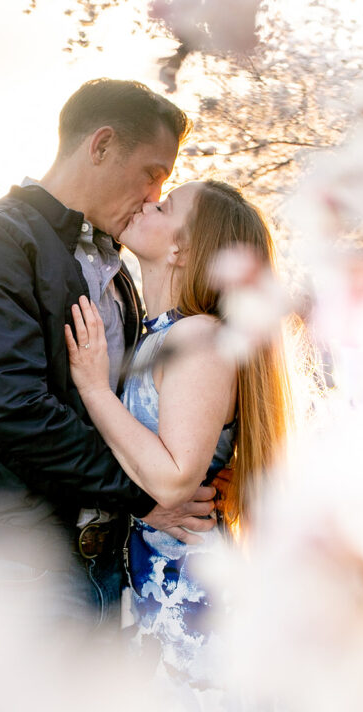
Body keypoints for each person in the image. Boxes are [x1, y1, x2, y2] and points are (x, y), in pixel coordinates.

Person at [0, 78, 218, 629]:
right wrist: (145, 496)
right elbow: (10, 410)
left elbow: (137, 409)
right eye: (152, 174)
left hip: (102, 565)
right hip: (13, 568)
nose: (154, 195)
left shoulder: (118, 274)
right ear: (101, 145)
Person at [66, 179, 293, 687]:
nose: (147, 201)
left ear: (181, 248)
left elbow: (172, 481)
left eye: (164, 206)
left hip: (189, 591)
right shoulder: (159, 335)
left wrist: (93, 387)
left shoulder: (199, 335)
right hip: (155, 583)